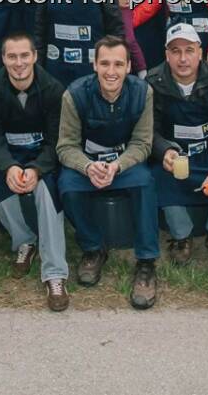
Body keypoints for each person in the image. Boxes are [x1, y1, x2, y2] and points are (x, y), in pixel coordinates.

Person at [56, 37, 160, 310]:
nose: (110, 71)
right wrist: (88, 166)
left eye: (117, 64)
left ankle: (147, 262)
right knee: (67, 185)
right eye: (104, 63)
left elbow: (143, 143)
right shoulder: (75, 94)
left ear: (128, 66)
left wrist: (117, 166)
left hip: (124, 164)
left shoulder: (143, 92)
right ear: (94, 65)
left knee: (146, 182)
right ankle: (92, 248)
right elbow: (66, 146)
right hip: (88, 163)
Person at [0, 32, 70, 311]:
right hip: (9, 156)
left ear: (34, 56)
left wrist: (36, 169)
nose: (18, 63)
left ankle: (55, 273)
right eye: (11, 57)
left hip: (43, 158)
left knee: (46, 193)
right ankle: (24, 241)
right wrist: (9, 167)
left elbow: (57, 140)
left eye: (24, 56)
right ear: (3, 59)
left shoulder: (53, 89)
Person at [146, 23, 208, 260]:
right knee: (156, 173)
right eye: (175, 51)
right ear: (166, 55)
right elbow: (148, 129)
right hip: (177, 155)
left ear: (200, 52)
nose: (183, 58)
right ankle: (181, 237)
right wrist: (164, 150)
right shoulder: (153, 81)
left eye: (189, 50)